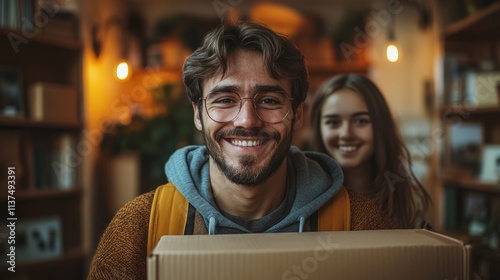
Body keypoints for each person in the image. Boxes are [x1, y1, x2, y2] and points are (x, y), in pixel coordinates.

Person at [87, 22, 398, 280]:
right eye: (224, 100)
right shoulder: (140, 227)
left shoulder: (358, 222)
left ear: (298, 114)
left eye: (269, 100)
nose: (247, 121)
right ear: (198, 113)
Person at [309, 73, 432, 229]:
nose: (346, 133)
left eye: (361, 121)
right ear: (318, 128)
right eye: (333, 122)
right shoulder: (307, 202)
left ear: (381, 126)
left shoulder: (409, 203)